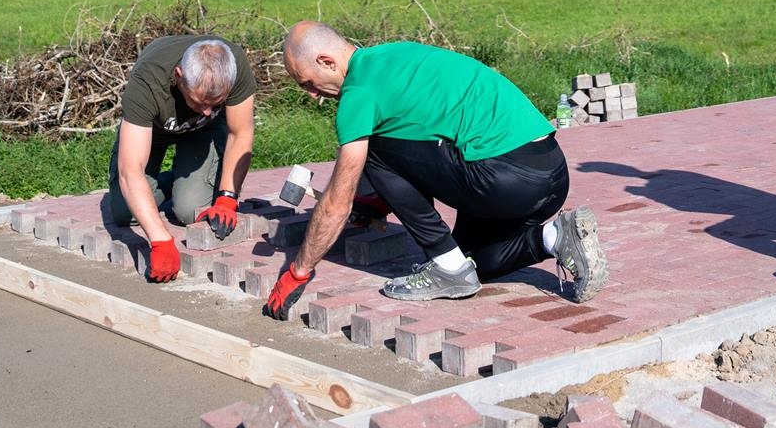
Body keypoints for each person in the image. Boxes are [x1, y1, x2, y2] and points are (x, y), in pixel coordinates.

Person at [261, 22, 606, 320]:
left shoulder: (359, 93)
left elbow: (338, 202)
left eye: (307, 82)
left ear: (326, 61)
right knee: (471, 263)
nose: (311, 95)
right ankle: (555, 236)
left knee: (374, 147)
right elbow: (422, 133)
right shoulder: (395, 54)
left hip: (504, 178)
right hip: (551, 174)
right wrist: (381, 202)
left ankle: (444, 265)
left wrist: (298, 272)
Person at [108, 35, 256, 284]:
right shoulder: (148, 81)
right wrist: (160, 240)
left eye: (216, 104)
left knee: (189, 211)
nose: (209, 111)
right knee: (124, 212)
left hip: (202, 133)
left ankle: (184, 183)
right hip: (152, 130)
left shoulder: (234, 64)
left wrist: (227, 198)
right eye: (200, 102)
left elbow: (240, 134)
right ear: (178, 76)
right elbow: (130, 170)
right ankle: (171, 181)